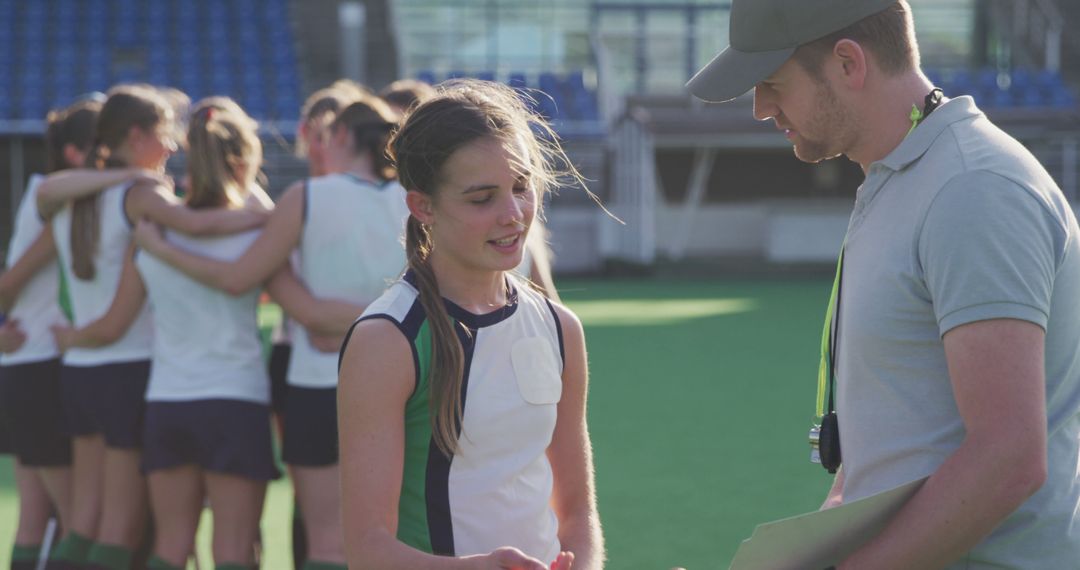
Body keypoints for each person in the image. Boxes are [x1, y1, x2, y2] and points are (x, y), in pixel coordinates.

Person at [687, 1, 1080, 568]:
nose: (760, 108)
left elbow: (1007, 457)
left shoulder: (972, 190)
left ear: (848, 63)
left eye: (773, 83)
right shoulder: (904, 176)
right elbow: (897, 443)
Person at [134, 93, 408, 570]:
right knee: (393, 536)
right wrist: (373, 322)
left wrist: (325, 319)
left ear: (341, 135)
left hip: (295, 385)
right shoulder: (411, 201)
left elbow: (270, 289)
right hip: (388, 382)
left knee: (317, 543)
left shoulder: (297, 202)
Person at [337, 79, 604, 569]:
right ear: (424, 207)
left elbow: (577, 511)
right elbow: (368, 550)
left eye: (521, 187)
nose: (513, 215)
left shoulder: (560, 327)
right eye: (482, 198)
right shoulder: (387, 339)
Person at [38, 85, 265, 570]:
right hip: (130, 369)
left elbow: (45, 191)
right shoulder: (143, 193)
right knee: (120, 530)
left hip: (80, 372)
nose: (173, 147)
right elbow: (198, 226)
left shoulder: (70, 191)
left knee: (85, 522)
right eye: (165, 135)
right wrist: (268, 216)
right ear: (137, 134)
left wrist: (76, 337)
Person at [0, 99, 101, 570]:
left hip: (29, 369)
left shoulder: (63, 198)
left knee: (37, 517)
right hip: (38, 368)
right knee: (72, 519)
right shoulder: (52, 197)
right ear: (79, 154)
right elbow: (8, 285)